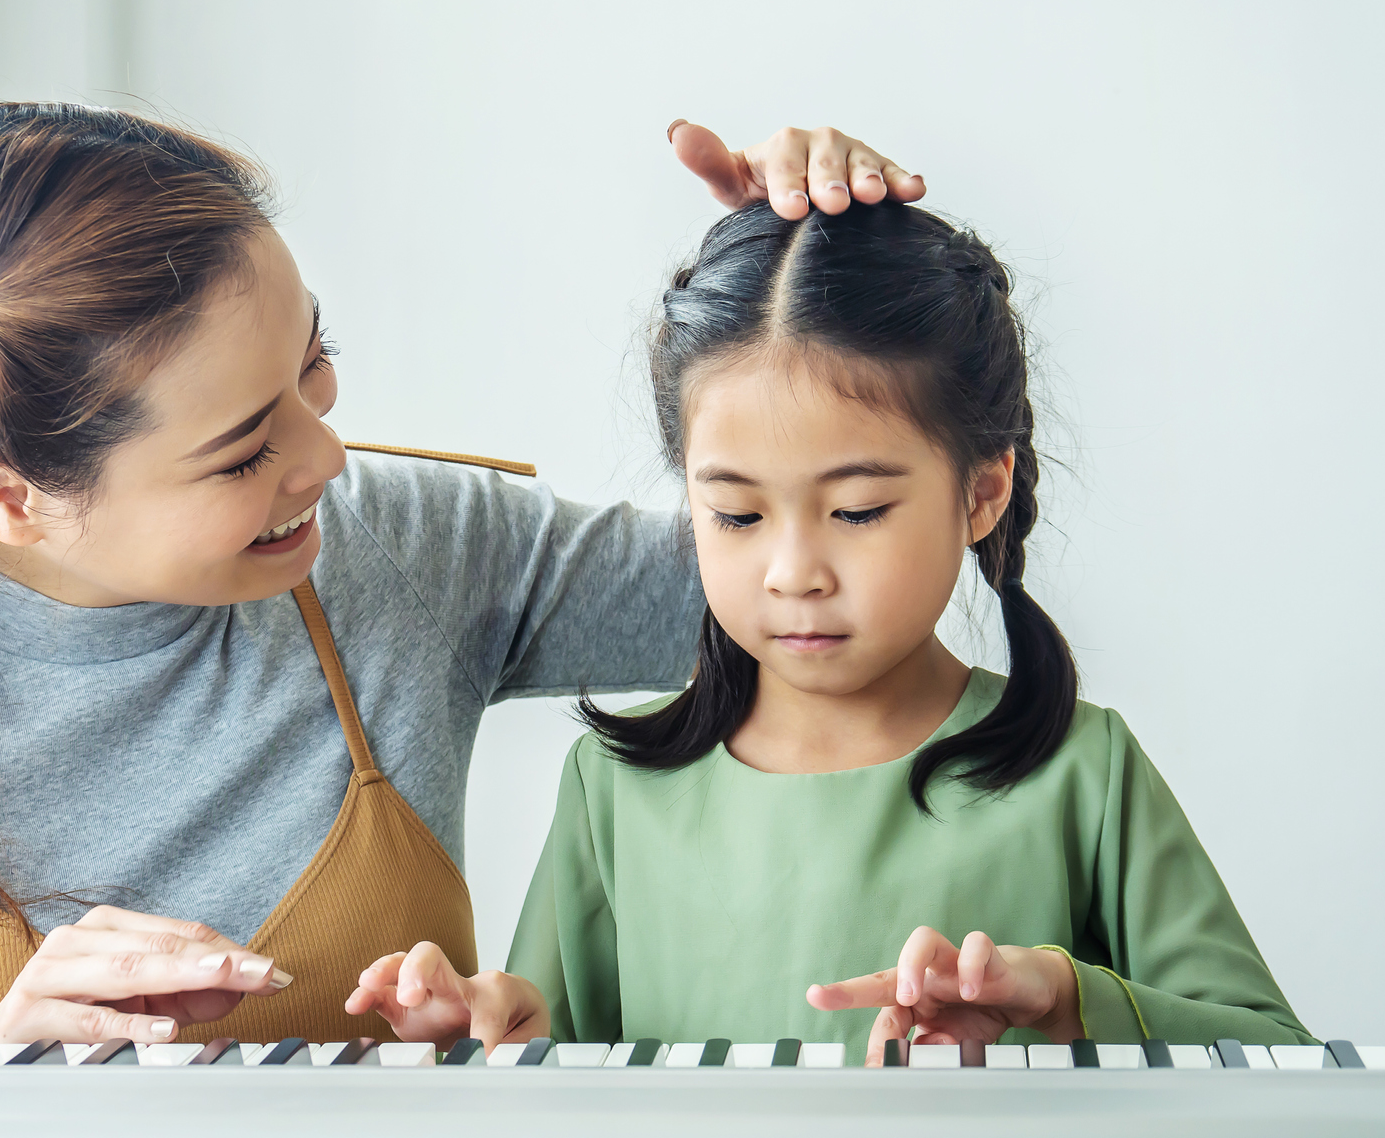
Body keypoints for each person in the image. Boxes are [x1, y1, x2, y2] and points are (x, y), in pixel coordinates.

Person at [0, 104, 924, 1047]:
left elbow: (815, 574)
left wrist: (828, 295)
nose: (325, 452)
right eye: (241, 451)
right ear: (5, 495)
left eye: (313, 359)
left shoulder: (398, 552)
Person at [347, 200, 1315, 1063]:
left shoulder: (1084, 771)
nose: (792, 571)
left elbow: (1276, 1061)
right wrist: (498, 1041)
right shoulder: (615, 790)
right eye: (735, 515)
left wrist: (1066, 1001)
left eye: (856, 511)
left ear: (983, 491)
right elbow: (561, 1073)